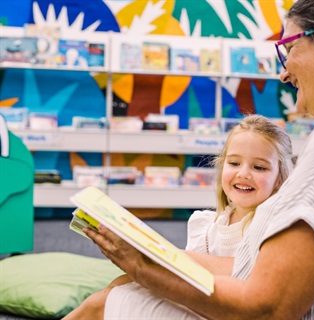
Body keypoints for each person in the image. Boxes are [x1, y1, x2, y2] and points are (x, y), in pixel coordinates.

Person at [67, 0, 314, 318]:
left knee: (106, 306)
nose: (284, 72)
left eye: (289, 48)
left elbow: (268, 308)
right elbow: (263, 269)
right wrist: (159, 257)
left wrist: (143, 269)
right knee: (121, 294)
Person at [63, 114, 294, 319]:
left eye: (260, 168)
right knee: (114, 291)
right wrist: (136, 272)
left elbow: (244, 270)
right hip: (198, 306)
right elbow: (183, 283)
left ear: (281, 178)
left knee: (99, 305)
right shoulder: (205, 226)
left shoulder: (273, 225)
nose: (243, 174)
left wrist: (159, 256)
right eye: (234, 163)